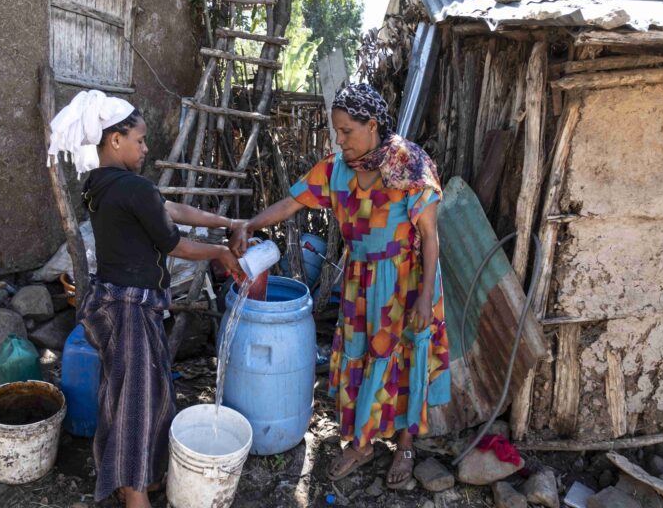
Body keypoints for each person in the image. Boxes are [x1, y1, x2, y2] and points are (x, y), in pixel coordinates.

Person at [230, 83, 450, 488]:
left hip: (405, 281)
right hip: (359, 281)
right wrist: (248, 224)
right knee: (358, 354)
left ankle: (404, 444)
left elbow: (431, 236)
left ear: (372, 126)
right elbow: (292, 202)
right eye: (336, 131)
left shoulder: (410, 166)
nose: (340, 139)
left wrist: (423, 298)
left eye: (347, 131)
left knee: (404, 357)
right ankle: (362, 442)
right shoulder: (336, 170)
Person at [48, 90, 243, 508]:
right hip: (130, 307)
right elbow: (173, 243)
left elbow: (167, 207)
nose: (146, 147)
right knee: (137, 401)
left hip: (112, 299)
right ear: (115, 140)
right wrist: (220, 251)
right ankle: (135, 493)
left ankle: (136, 477)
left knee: (132, 393)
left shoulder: (100, 184)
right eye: (139, 140)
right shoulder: (130, 187)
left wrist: (227, 221)